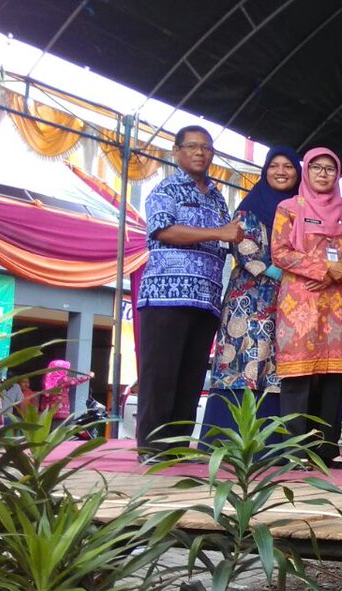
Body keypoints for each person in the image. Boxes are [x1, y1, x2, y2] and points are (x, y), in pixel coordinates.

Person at [137, 125, 244, 459]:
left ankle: (177, 446)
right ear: (177, 152)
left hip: (206, 299)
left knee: (191, 375)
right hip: (168, 294)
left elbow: (229, 239)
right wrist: (219, 232)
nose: (200, 153)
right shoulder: (165, 190)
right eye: (193, 146)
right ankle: (152, 447)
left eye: (206, 148)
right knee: (161, 373)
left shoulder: (216, 197)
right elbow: (164, 231)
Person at [271, 148, 342, 470]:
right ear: (307, 172)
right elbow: (279, 252)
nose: (323, 174)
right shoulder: (289, 208)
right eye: (317, 168)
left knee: (334, 377)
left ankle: (328, 449)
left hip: (338, 303)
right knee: (298, 376)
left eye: (330, 168)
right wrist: (325, 269)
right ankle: (294, 450)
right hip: (301, 301)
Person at [204, 147, 301, 434]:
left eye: (288, 167)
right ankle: (227, 438)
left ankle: (271, 443)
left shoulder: (303, 210)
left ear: (298, 174)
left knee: (276, 365)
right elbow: (248, 252)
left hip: (289, 301)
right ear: (265, 170)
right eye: (274, 165)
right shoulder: (250, 207)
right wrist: (294, 273)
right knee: (243, 359)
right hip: (249, 299)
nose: (281, 171)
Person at [40, 359, 93, 429]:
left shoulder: (46, 378)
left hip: (47, 411)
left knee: (47, 429)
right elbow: (76, 381)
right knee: (57, 432)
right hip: (60, 411)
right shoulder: (63, 379)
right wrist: (88, 376)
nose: (67, 371)